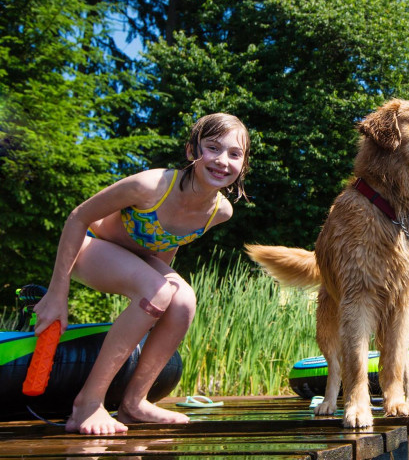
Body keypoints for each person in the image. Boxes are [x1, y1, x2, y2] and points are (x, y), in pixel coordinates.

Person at [32, 113, 251, 435]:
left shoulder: (220, 212)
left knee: (184, 300)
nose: (222, 161)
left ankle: (135, 403)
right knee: (159, 290)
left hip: (134, 257)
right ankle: (87, 404)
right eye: (213, 148)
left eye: (234, 154)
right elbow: (77, 218)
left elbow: (167, 245)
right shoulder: (151, 185)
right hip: (89, 246)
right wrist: (57, 294)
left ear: (243, 164)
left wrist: (162, 295)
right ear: (192, 151)